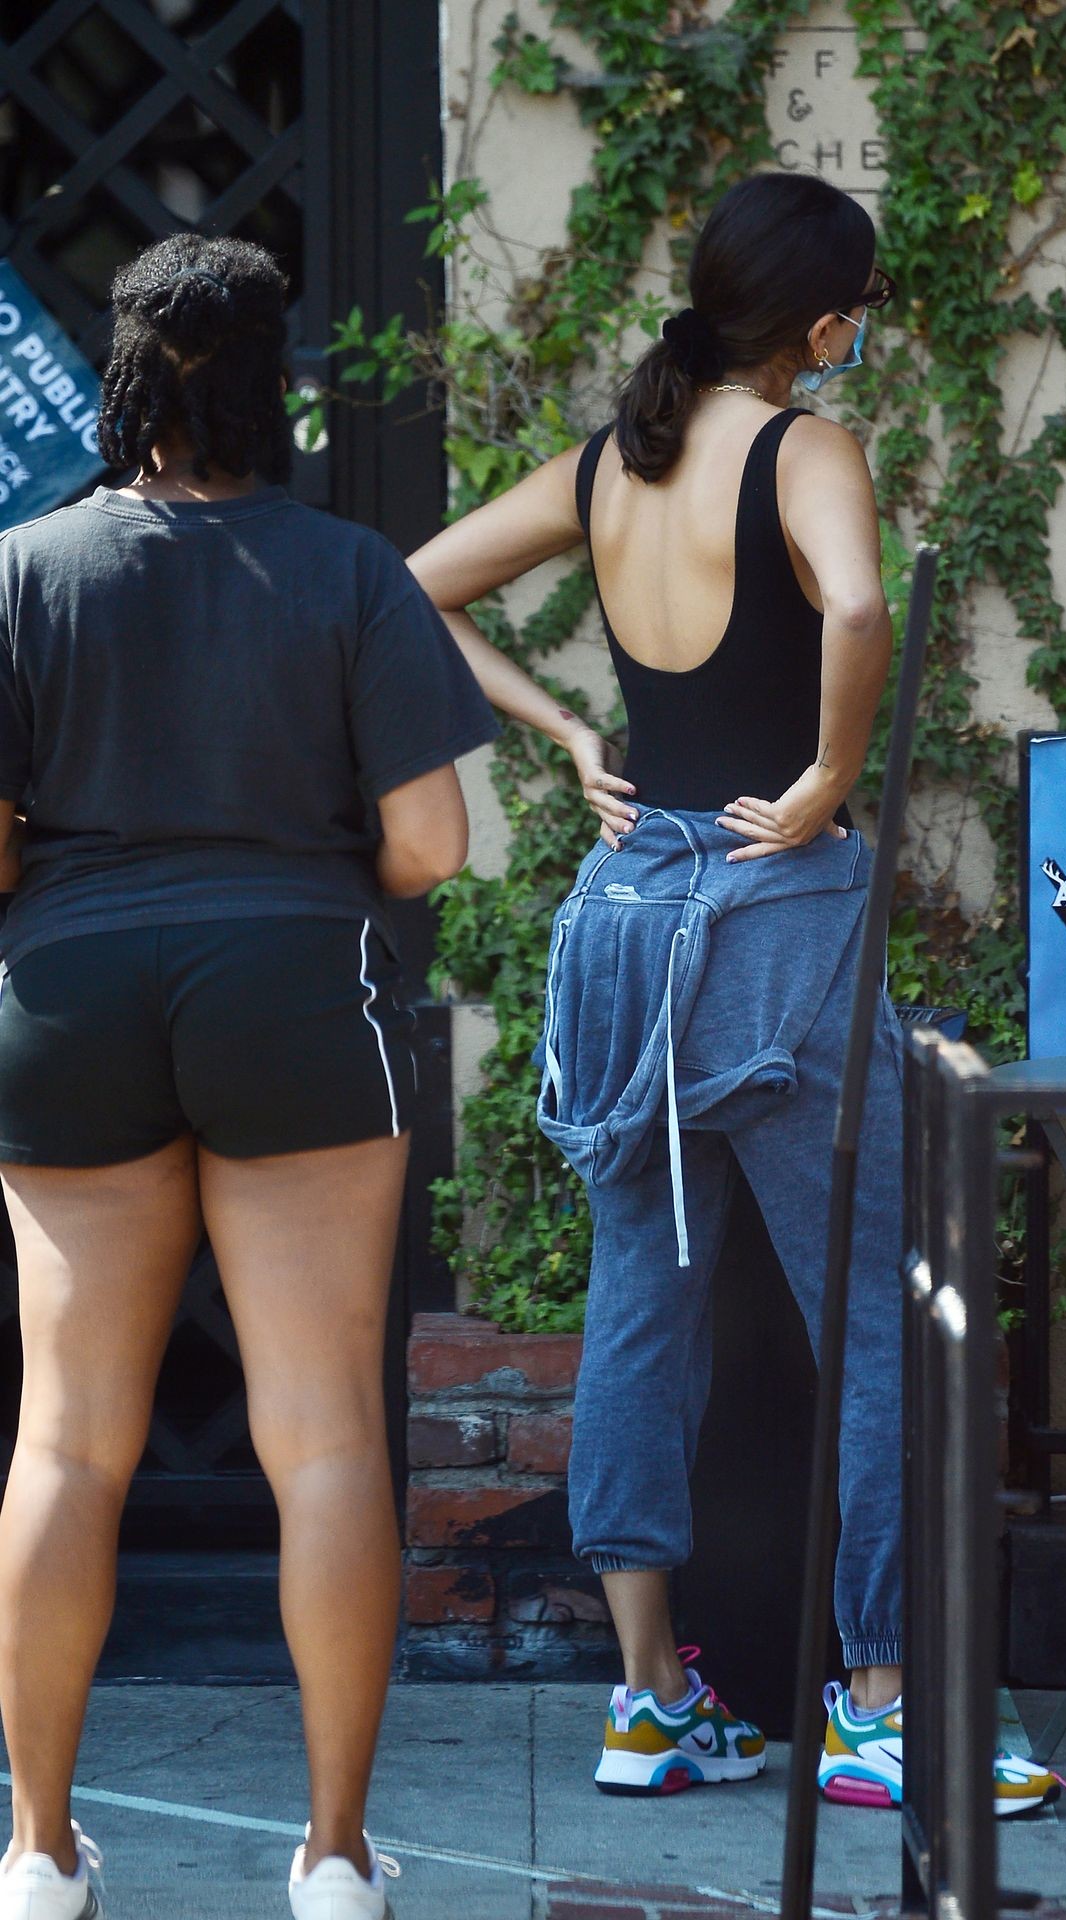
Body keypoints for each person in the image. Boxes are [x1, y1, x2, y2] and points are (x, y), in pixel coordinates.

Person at [410, 171, 1061, 1819]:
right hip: (775, 916)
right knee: (876, 1309)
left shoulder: (612, 459)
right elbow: (859, 602)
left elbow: (407, 588)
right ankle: (881, 1707)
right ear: (825, 324)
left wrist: (567, 731)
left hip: (629, 915)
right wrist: (833, 774)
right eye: (860, 315)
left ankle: (648, 1701)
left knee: (640, 1311)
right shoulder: (803, 450)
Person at [0, 235, 498, 1920]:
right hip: (293, 981)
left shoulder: (23, 571)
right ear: (276, 382)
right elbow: (431, 843)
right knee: (324, 1435)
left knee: (67, 1441)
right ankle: (337, 1858)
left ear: (126, 377)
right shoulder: (350, 571)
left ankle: (39, 1854)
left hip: (69, 988)